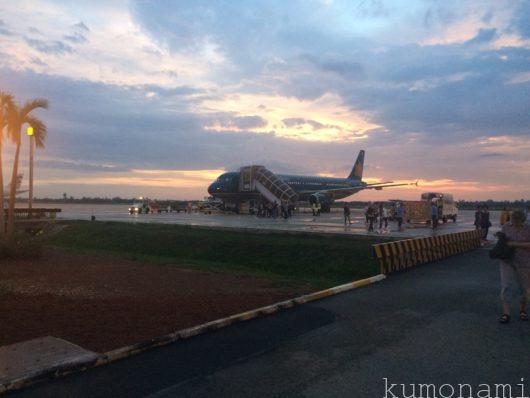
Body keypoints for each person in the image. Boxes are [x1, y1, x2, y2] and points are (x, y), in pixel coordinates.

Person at [498, 210, 530, 323]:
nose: (515, 224)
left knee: (525, 289)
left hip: (524, 262)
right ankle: (506, 313)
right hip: (507, 261)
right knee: (506, 286)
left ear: (523, 220)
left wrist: (514, 244)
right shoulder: (506, 226)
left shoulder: (528, 228)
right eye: (513, 221)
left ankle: (522, 310)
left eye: (518, 222)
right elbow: (502, 242)